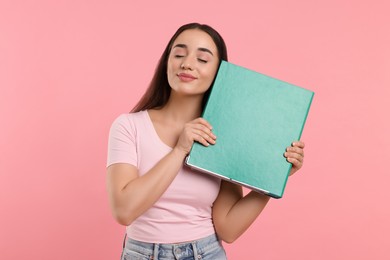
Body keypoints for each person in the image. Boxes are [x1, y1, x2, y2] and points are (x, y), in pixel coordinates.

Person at [106, 22, 305, 260]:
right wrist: (180, 149)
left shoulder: (221, 135)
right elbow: (124, 210)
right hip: (141, 253)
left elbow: (228, 229)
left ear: (219, 73)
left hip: (205, 253)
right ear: (166, 63)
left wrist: (274, 177)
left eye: (202, 59)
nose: (187, 63)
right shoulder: (129, 126)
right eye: (179, 54)